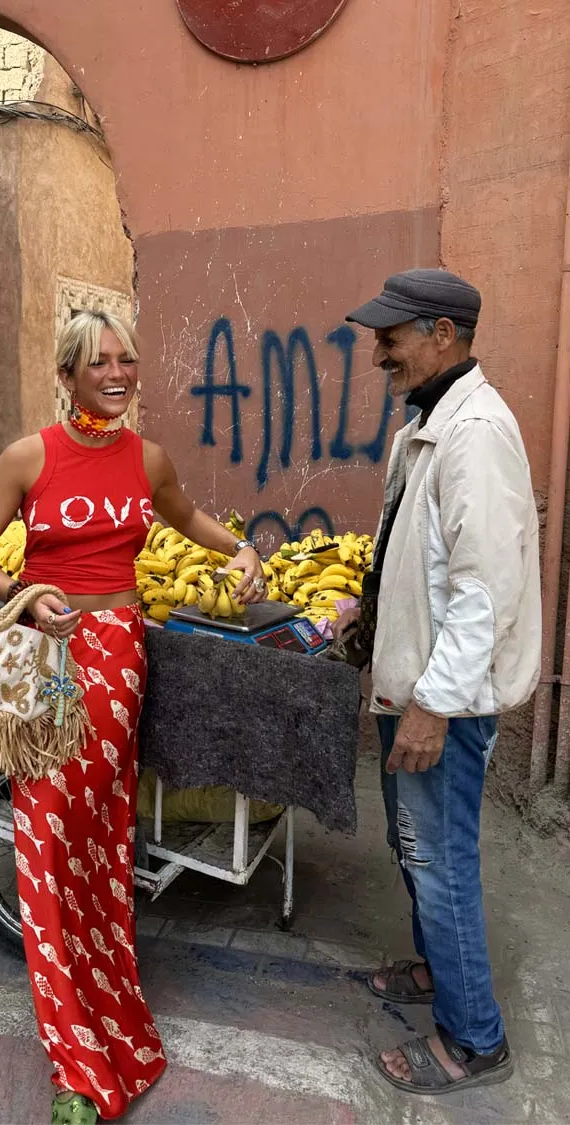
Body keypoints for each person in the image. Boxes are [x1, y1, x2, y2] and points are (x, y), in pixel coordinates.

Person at [0, 310, 267, 1124]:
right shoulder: (28, 458)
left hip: (120, 660)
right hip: (50, 664)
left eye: (128, 359)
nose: (120, 373)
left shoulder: (147, 457)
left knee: (97, 834)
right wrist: (24, 593)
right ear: (67, 374)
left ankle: (111, 1009)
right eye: (101, 363)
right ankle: (74, 1062)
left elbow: (184, 514)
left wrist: (236, 550)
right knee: (44, 835)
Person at [335, 269, 540, 1094]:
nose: (379, 348)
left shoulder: (477, 432)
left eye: (393, 334)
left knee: (440, 857)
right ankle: (436, 970)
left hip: (440, 701)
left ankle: (474, 1039)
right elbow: (420, 556)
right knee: (415, 849)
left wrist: (433, 705)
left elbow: (483, 591)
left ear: (443, 334)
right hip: (413, 686)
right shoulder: (426, 422)